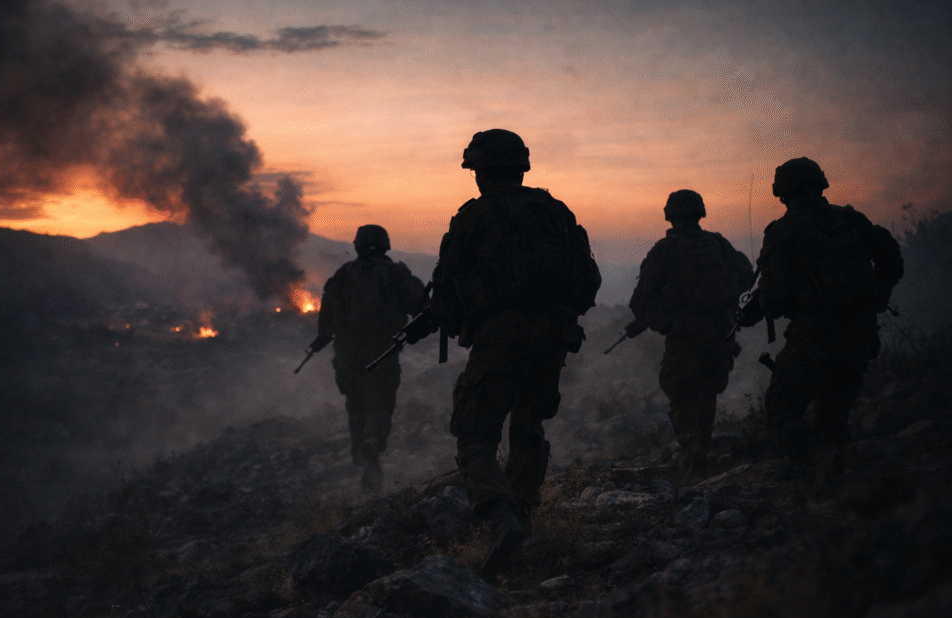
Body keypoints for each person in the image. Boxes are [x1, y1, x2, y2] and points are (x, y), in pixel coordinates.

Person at [430, 129, 601, 574]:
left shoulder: (472, 218)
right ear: (522, 166)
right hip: (551, 334)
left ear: (481, 171)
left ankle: (499, 516)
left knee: (474, 433)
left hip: (499, 336)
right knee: (530, 423)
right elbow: (587, 281)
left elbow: (447, 290)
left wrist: (456, 317)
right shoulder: (555, 212)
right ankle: (522, 515)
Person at [752, 157, 902, 494]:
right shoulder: (850, 220)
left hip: (814, 338)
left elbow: (774, 299)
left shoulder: (783, 232)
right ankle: (838, 492)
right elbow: (891, 257)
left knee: (780, 411)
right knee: (833, 417)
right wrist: (877, 297)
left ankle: (821, 467)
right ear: (820, 184)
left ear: (783, 193)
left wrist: (761, 304)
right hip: (860, 336)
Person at [628, 190, 755, 475]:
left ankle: (691, 444)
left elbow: (640, 301)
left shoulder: (664, 250)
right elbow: (746, 276)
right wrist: (724, 303)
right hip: (721, 331)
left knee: (681, 391)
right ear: (700, 213)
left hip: (684, 334)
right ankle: (703, 449)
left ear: (670, 215)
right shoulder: (718, 244)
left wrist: (663, 321)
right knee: (707, 392)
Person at [312, 224, 426, 493]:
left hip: (347, 356)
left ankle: (365, 467)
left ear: (357, 247)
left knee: (355, 407)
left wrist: (323, 339)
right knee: (379, 405)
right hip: (381, 351)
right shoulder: (395, 273)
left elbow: (326, 321)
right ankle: (373, 442)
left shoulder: (341, 276)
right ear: (385, 245)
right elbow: (420, 305)